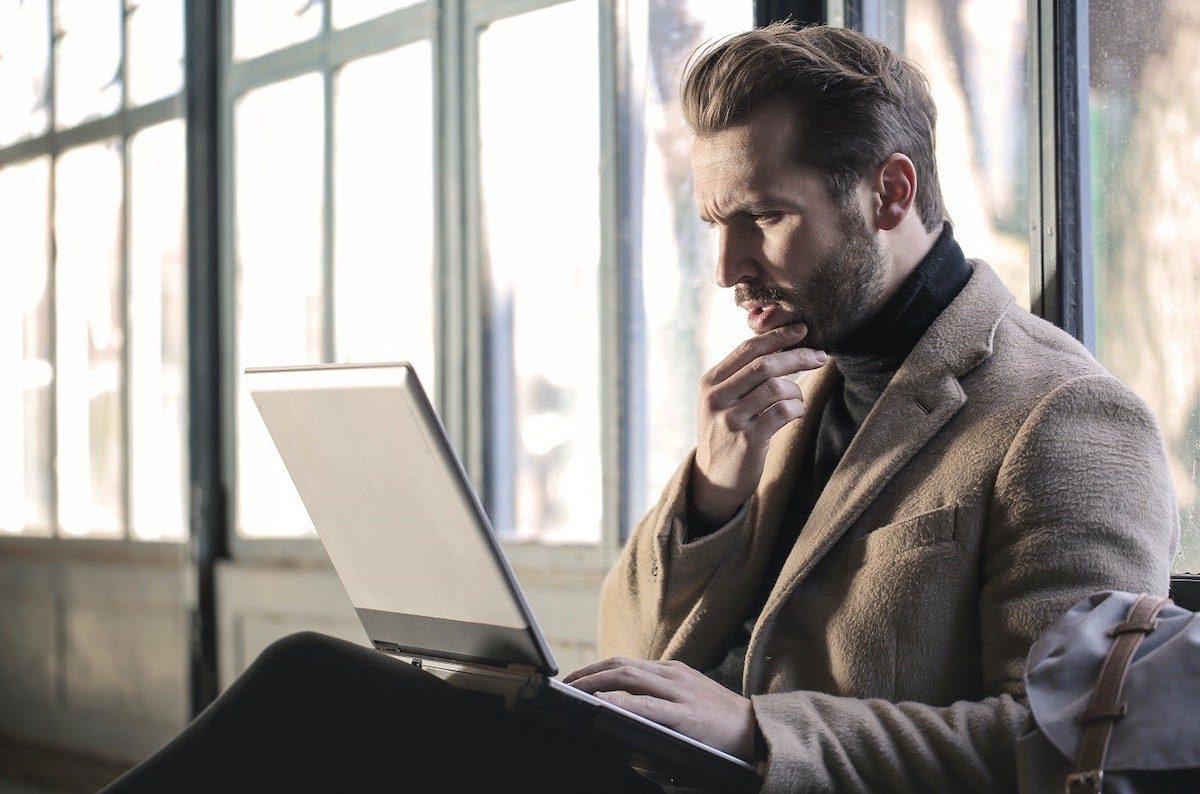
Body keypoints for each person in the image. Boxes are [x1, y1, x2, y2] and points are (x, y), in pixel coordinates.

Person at [104, 22, 1178, 794]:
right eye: (716, 220)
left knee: (318, 702)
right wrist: (713, 488)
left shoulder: (1066, 416)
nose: (726, 267)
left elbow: (1070, 748)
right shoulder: (791, 383)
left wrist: (762, 730)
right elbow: (630, 646)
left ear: (890, 195)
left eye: (762, 215)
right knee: (321, 690)